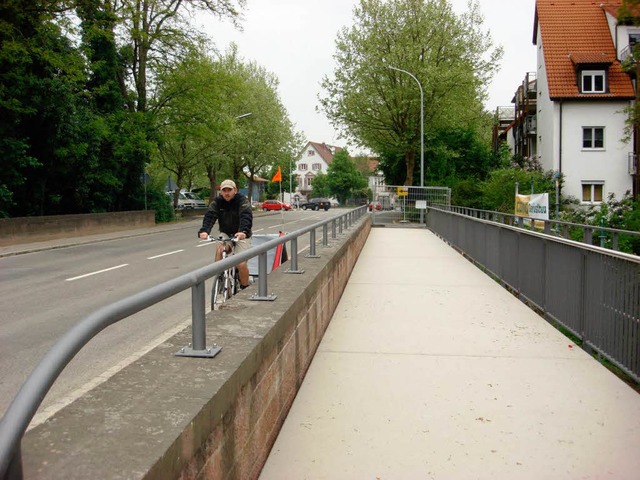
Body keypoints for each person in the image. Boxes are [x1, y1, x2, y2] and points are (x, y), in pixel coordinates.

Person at [198, 179, 253, 289]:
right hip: (226, 233)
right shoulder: (218, 202)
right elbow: (210, 216)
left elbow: (246, 216)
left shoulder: (242, 200)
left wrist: (243, 231)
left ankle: (244, 286)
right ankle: (221, 278)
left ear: (235, 190)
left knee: (241, 263)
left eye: (229, 190)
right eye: (224, 190)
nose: (227, 193)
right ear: (221, 191)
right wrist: (204, 231)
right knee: (220, 250)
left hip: (241, 235)